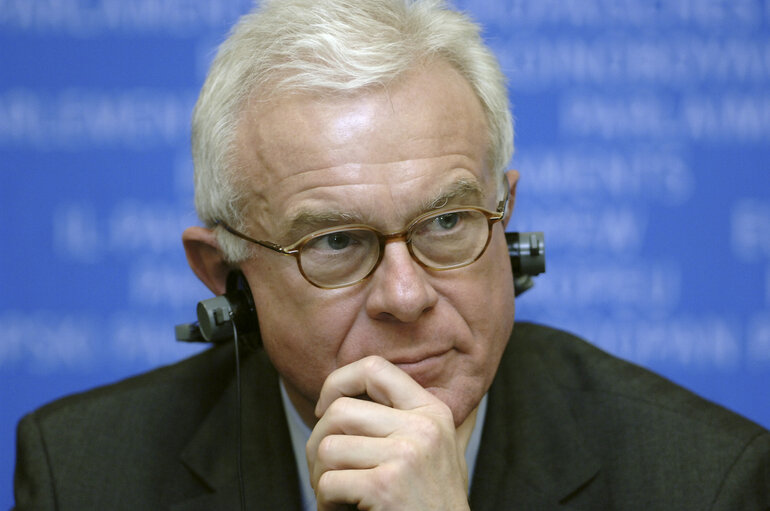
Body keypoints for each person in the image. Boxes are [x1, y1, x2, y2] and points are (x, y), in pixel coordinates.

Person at [13, 0, 769, 509]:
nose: (405, 296)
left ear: (507, 220)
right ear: (228, 275)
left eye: (446, 222)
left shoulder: (705, 479)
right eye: (336, 242)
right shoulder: (81, 473)